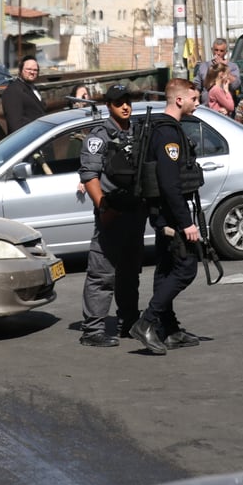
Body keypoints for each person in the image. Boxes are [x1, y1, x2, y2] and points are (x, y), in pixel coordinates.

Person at [129, 79, 204, 355]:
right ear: (180, 100)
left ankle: (169, 329)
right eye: (194, 98)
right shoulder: (168, 134)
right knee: (186, 268)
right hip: (170, 214)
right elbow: (170, 183)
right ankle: (146, 322)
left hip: (162, 212)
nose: (198, 103)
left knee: (165, 269)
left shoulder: (161, 128)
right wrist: (186, 222)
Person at [77, 85, 147, 347]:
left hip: (135, 213)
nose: (125, 107)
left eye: (127, 101)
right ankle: (92, 330)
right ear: (109, 105)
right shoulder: (99, 136)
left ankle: (128, 322)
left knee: (130, 272)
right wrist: (104, 207)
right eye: (119, 103)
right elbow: (89, 175)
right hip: (113, 213)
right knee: (102, 273)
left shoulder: (138, 132)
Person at [1, 56, 46, 132]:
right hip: (30, 139)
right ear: (20, 70)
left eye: (35, 70)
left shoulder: (34, 88)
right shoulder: (13, 91)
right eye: (28, 69)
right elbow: (15, 124)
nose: (32, 72)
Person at [193, 38, 241, 105]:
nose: (218, 53)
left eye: (221, 51)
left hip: (225, 108)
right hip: (207, 107)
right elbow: (197, 86)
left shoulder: (232, 66)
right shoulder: (204, 66)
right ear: (212, 50)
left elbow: (236, 85)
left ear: (226, 52)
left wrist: (223, 67)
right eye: (216, 50)